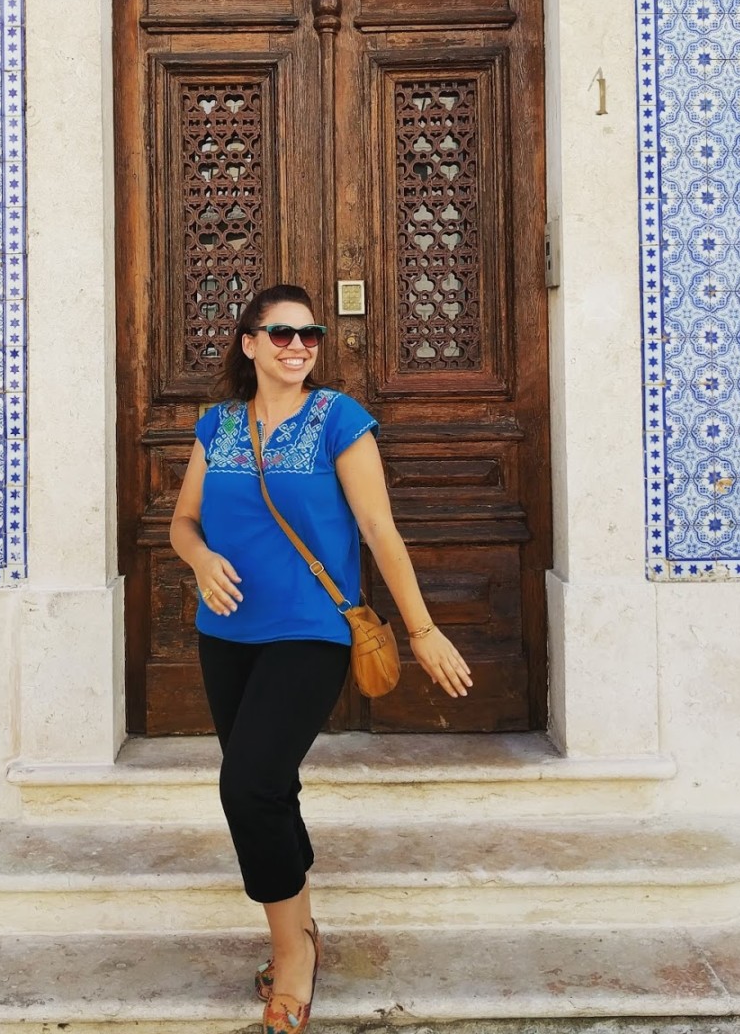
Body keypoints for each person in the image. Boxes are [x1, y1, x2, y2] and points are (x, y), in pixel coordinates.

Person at [169, 283, 473, 1034]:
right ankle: (301, 927)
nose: (298, 346)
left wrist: (422, 628)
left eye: (309, 335)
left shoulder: (339, 419)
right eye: (280, 334)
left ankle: (293, 955)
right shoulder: (219, 425)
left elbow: (380, 530)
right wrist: (200, 557)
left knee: (247, 785)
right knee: (268, 787)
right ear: (248, 344)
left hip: (311, 632)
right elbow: (181, 521)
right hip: (226, 632)